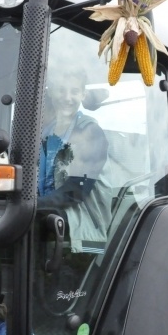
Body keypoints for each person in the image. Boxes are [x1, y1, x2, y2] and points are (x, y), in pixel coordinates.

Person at [38, 68, 112, 252]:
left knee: (24, 223)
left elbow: (76, 191)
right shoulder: (46, 131)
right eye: (61, 90)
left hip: (82, 216)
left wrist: (33, 205)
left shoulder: (90, 131)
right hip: (50, 207)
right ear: (51, 91)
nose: (67, 97)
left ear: (83, 94)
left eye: (74, 91)